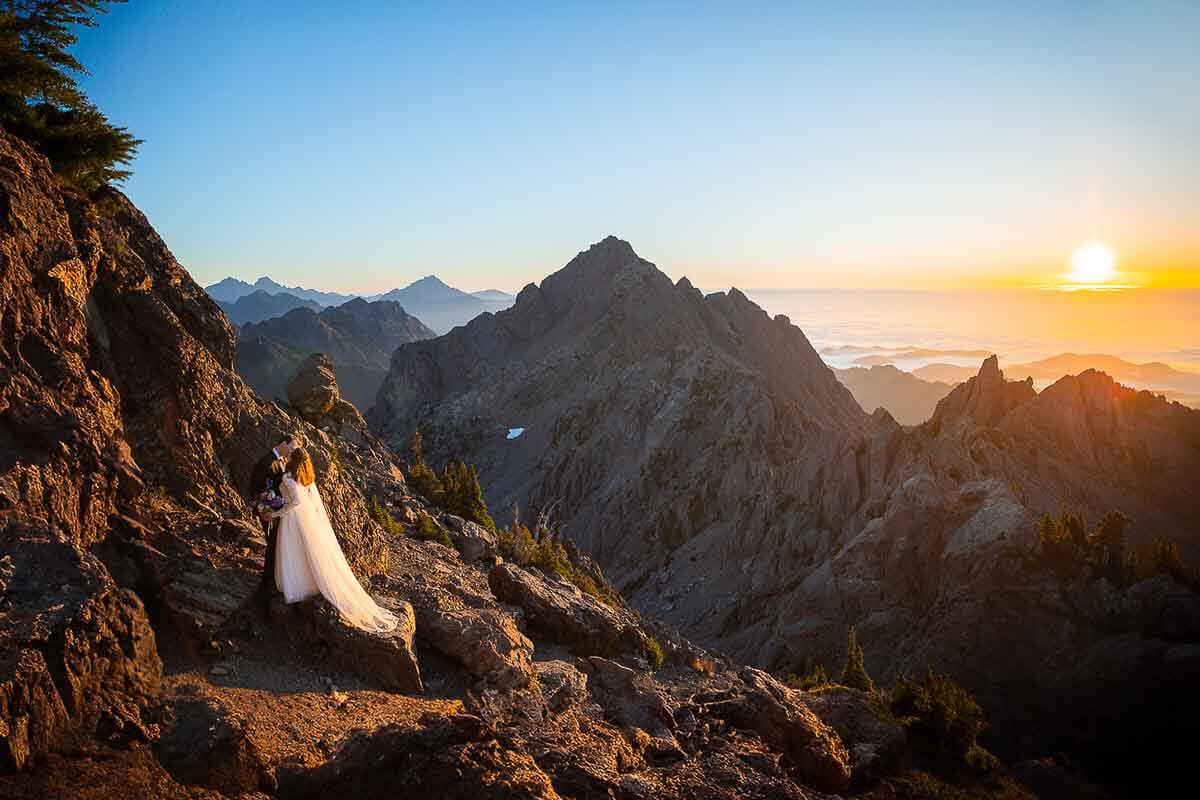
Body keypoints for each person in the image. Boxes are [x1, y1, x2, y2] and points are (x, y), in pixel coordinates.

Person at [268, 447, 398, 631]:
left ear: (293, 460)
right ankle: (307, 582)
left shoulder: (288, 478)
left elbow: (295, 502)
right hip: (306, 519)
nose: (286, 457)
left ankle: (297, 585)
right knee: (302, 551)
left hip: (292, 519)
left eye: (289, 456)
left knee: (293, 551)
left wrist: (275, 514)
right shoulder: (306, 477)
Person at [249, 434, 297, 602]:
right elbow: (257, 487)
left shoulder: (278, 461)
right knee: (272, 542)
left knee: (274, 542)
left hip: (275, 508)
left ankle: (271, 578)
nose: (291, 450)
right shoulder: (267, 461)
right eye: (290, 447)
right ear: (283, 444)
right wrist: (263, 509)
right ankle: (268, 581)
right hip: (268, 509)